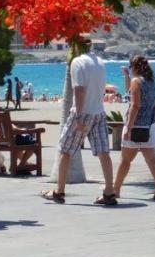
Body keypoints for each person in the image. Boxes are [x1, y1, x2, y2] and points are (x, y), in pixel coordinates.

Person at [44, 36, 116, 205]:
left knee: (65, 150)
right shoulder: (100, 62)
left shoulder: (78, 62)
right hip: (98, 111)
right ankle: (109, 191)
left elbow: (79, 90)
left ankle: (59, 191)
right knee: (103, 152)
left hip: (82, 112)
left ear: (76, 46)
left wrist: (78, 117)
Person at [112, 56, 155, 200]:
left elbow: (135, 105)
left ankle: (115, 190)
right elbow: (130, 91)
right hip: (150, 126)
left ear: (135, 67)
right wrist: (126, 76)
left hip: (136, 127)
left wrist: (129, 127)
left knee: (125, 161)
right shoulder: (150, 82)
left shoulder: (137, 81)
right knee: (151, 159)